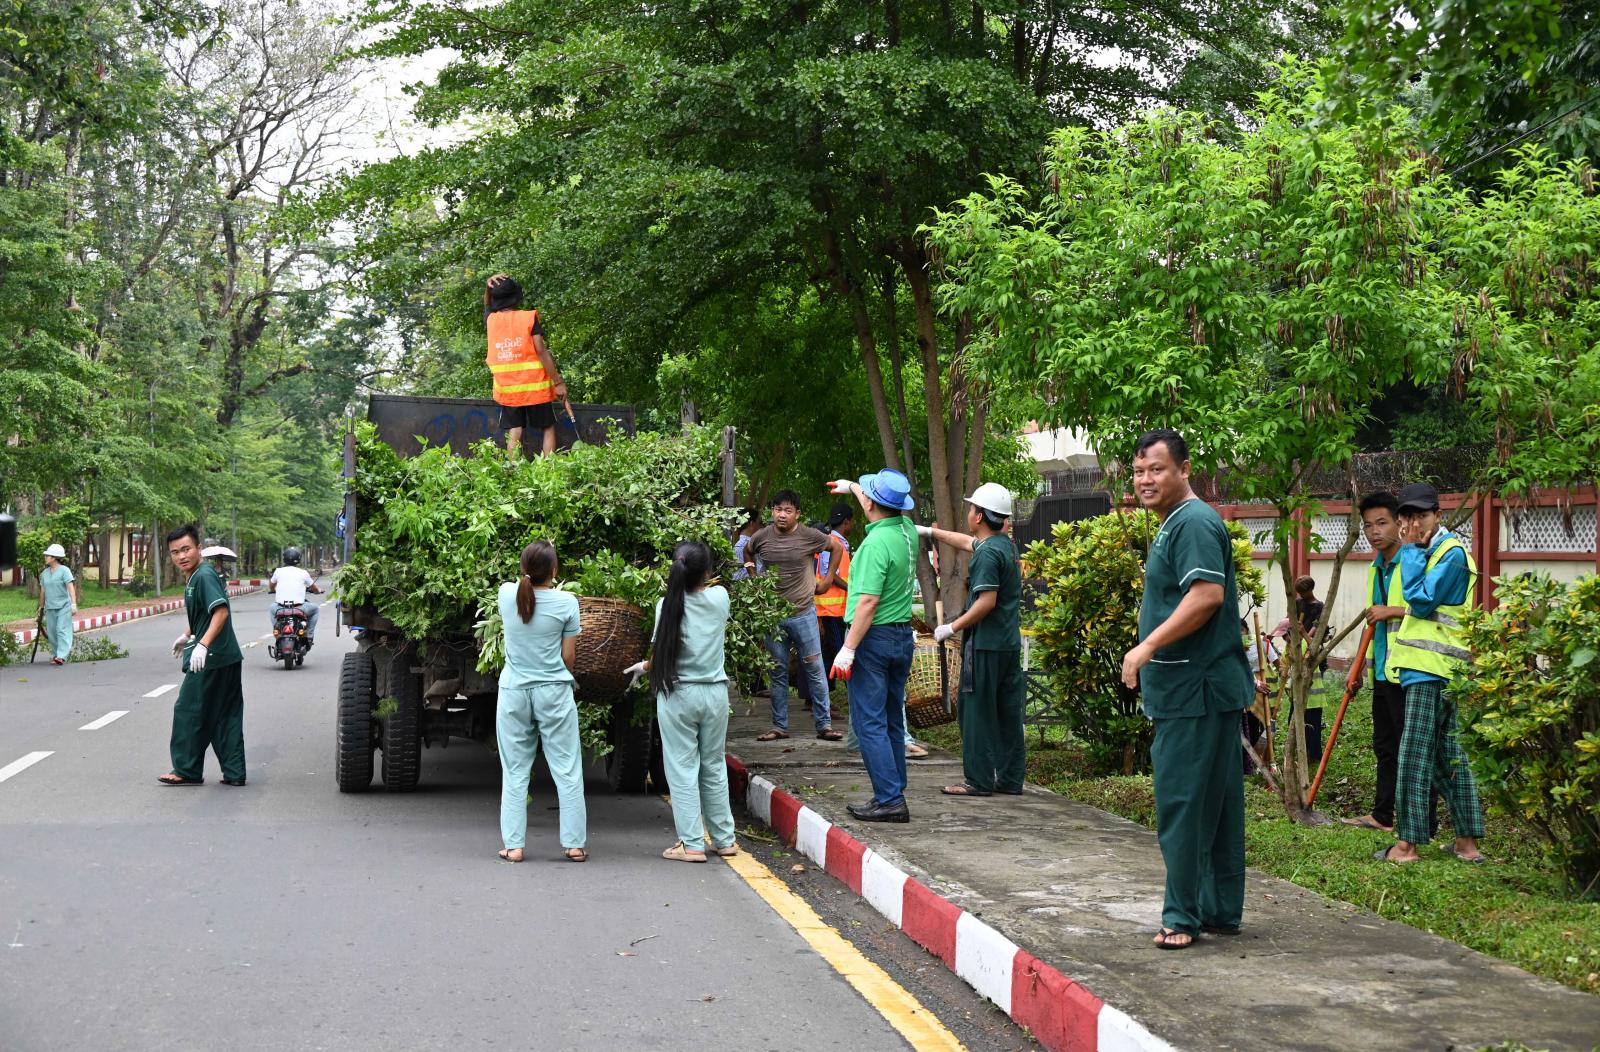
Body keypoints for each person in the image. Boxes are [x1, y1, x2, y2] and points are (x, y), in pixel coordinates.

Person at [1119, 430, 1251, 950]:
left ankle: (1181, 917)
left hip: (1194, 689)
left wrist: (1146, 645)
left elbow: (1206, 596)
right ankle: (1219, 910)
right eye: (1139, 471)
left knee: (1182, 802)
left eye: (1156, 469)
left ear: (1184, 470)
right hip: (1201, 687)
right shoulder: (1177, 522)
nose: (1145, 480)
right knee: (1216, 804)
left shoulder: (1192, 522)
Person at [1374, 483, 1486, 865]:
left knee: (1414, 754)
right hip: (1432, 669)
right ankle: (1466, 843)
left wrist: (1408, 550)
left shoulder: (1450, 554)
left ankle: (1406, 845)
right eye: (1407, 516)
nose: (1414, 523)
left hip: (1432, 670)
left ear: (1438, 515)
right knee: (1445, 755)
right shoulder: (1430, 551)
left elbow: (1420, 602)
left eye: (1421, 515)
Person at [622, 542, 739, 863]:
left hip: (678, 696)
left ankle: (692, 844)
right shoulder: (720, 598)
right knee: (713, 764)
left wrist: (644, 666)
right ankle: (724, 839)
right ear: (707, 572)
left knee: (683, 768)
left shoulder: (666, 605)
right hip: (715, 695)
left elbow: (664, 654)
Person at [922, 484, 1026, 797]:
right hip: (1007, 644)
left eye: (971, 509)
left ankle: (978, 781)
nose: (968, 513)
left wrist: (951, 627)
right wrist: (931, 532)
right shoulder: (1005, 546)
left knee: (975, 712)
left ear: (979, 516)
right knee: (1007, 712)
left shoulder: (988, 555)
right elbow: (968, 542)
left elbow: (986, 602)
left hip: (983, 646)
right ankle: (1010, 779)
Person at [828, 468, 919, 822]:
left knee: (869, 722)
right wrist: (852, 486)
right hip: (901, 637)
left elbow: (867, 602)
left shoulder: (873, 545)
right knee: (892, 717)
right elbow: (876, 503)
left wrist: (848, 649)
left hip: (872, 639)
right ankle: (894, 788)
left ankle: (890, 798)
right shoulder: (906, 531)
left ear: (870, 505)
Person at [494, 540, 588, 863]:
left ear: (522, 568)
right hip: (554, 692)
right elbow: (569, 657)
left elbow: (523, 590)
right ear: (555, 571)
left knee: (515, 770)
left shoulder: (507, 595)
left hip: (514, 692)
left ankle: (514, 846)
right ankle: (574, 845)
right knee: (567, 769)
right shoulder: (568, 603)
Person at [744, 490, 845, 742]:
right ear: (772, 512)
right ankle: (779, 726)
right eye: (778, 509)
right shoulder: (762, 536)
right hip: (773, 616)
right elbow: (748, 551)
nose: (782, 515)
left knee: (815, 668)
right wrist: (753, 577)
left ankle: (824, 725)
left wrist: (828, 580)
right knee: (777, 671)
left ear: (797, 514)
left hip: (803, 613)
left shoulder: (810, 535)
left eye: (788, 510)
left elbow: (836, 547)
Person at [160, 524, 246, 786]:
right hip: (227, 657)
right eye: (175, 552)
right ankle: (234, 773)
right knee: (225, 715)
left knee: (188, 709)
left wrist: (203, 645)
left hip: (213, 658)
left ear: (199, 548)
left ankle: (186, 769)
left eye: (186, 549)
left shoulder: (204, 575)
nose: (181, 556)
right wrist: (187, 634)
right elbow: (204, 613)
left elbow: (221, 612)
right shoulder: (196, 575)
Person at [1342, 493, 1408, 832]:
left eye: (1381, 523)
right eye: (1368, 525)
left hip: (1409, 670)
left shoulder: (1414, 561)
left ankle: (1418, 821)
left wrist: (1392, 610)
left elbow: (1431, 609)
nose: (1374, 532)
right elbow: (1372, 622)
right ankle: (1383, 815)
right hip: (1382, 669)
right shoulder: (1375, 567)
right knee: (1384, 745)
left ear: (1399, 523)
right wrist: (1358, 667)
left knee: (1411, 746)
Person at [485, 273, 567, 459]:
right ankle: (549, 469)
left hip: (508, 389)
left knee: (515, 431)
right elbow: (541, 351)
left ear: (495, 298)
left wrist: (489, 287)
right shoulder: (529, 317)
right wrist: (558, 382)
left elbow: (487, 305)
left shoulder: (490, 319)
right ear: (516, 296)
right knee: (547, 427)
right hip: (535, 387)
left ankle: (514, 470)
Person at [814, 502, 854, 671]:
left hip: (835, 609)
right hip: (830, 610)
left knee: (831, 655)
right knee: (840, 654)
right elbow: (828, 574)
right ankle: (849, 686)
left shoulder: (838, 543)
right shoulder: (831, 543)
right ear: (846, 522)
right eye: (852, 521)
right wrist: (850, 588)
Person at [267, 546, 322, 644]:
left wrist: (273, 590)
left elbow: (271, 586)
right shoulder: (303, 573)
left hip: (280, 608)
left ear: (284, 559)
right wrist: (318, 591)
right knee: (316, 609)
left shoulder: (278, 571)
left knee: (272, 607)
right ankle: (309, 635)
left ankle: (277, 631)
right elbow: (314, 588)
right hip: (299, 608)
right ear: (298, 559)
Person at [37, 543, 78, 666]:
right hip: (50, 607)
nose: (45, 557)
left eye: (47, 555)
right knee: (52, 633)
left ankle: (61, 655)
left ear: (54, 557)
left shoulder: (64, 571)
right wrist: (41, 607)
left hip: (64, 606)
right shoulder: (44, 573)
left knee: (61, 629)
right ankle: (56, 654)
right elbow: (43, 592)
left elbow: (71, 588)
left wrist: (73, 604)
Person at [731, 508, 763, 581]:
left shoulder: (733, 541)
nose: (762, 527)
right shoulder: (748, 544)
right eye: (760, 523)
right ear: (752, 523)